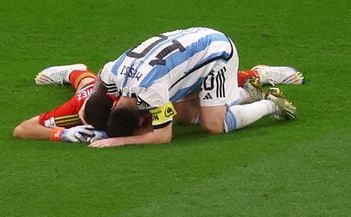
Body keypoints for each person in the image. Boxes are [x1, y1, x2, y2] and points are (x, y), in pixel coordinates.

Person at [73, 27, 303, 148]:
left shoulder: (151, 92)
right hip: (193, 43)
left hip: (217, 54)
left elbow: (163, 137)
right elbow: (98, 87)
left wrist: (118, 141)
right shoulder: (113, 72)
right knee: (185, 117)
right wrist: (89, 105)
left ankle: (271, 103)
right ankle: (247, 92)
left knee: (212, 125)